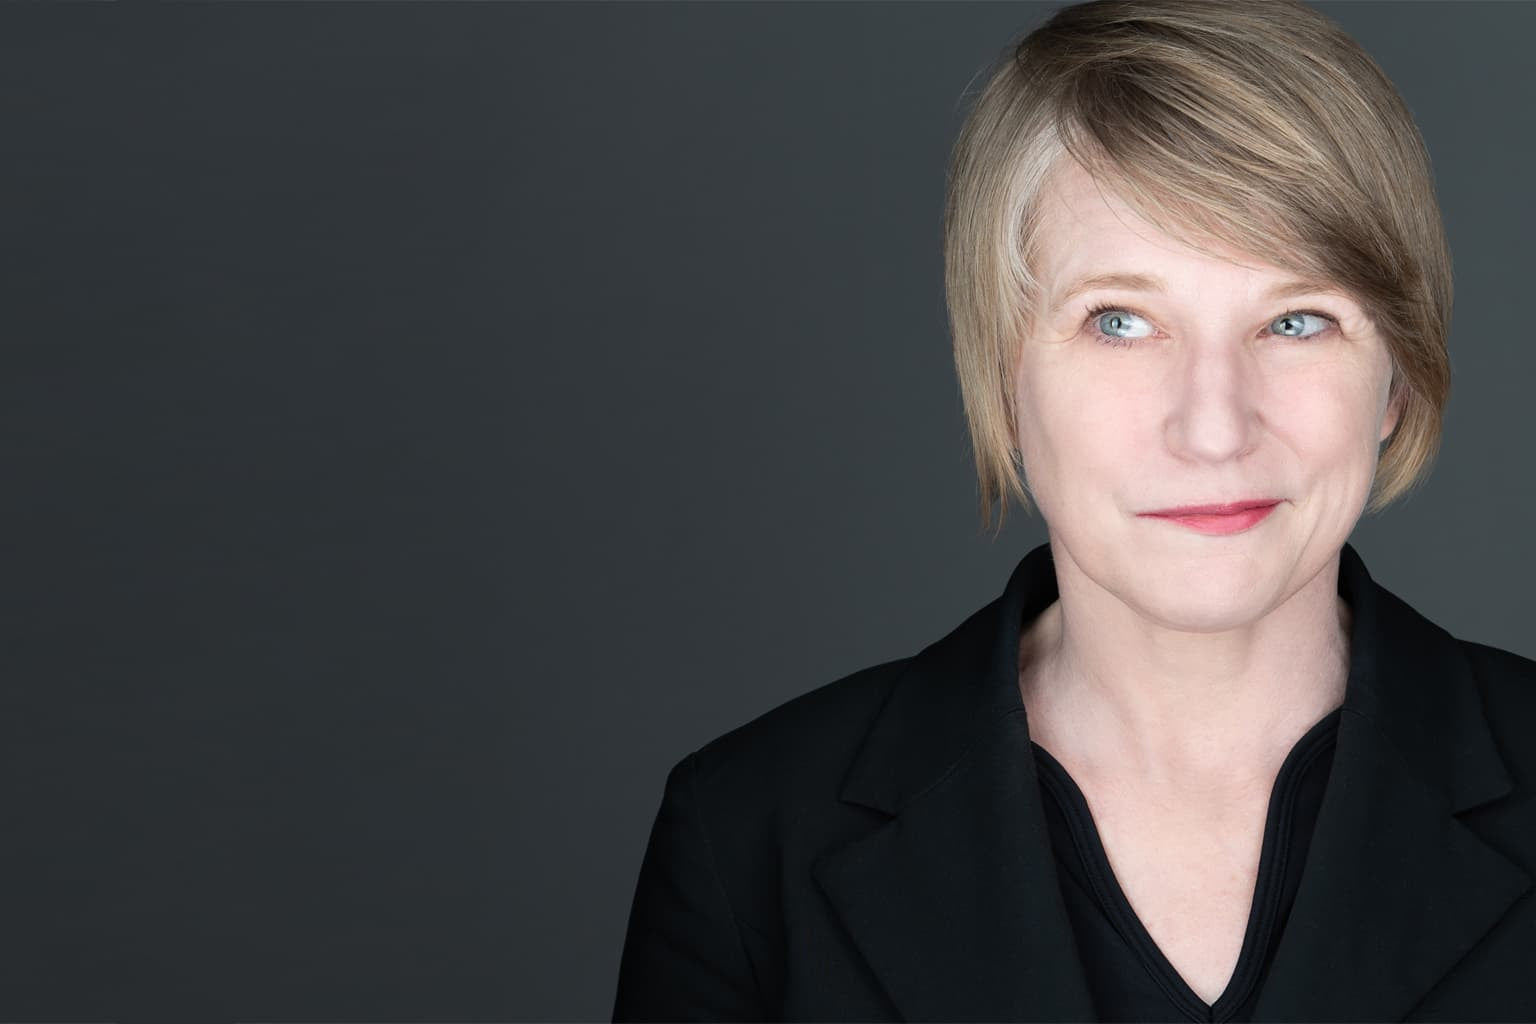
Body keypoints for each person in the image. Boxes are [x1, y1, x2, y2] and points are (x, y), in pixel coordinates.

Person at [612, 1, 1536, 1020]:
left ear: (1395, 375)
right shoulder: (750, 838)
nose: (1214, 426)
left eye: (1298, 318)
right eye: (1122, 320)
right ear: (1003, 376)